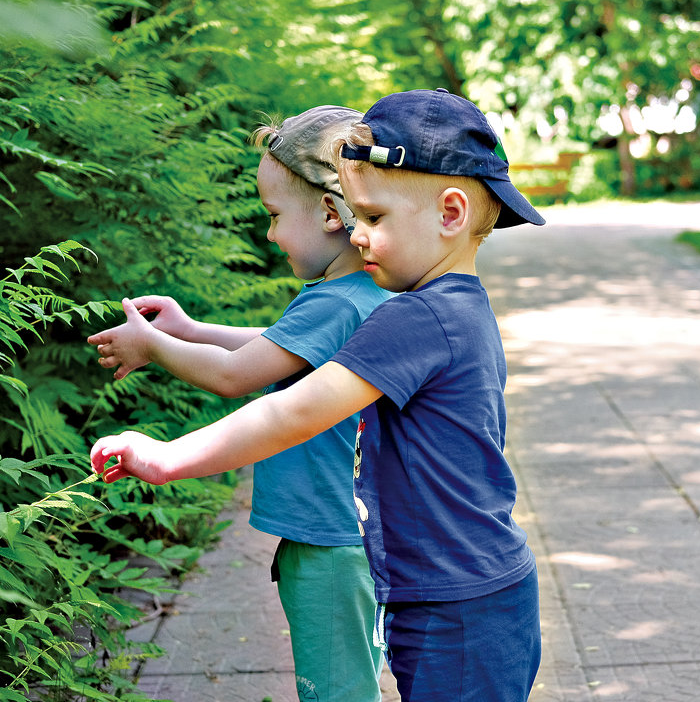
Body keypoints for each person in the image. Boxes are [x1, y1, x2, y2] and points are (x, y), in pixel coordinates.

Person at [90, 88, 546, 702]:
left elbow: (291, 409)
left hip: (456, 602)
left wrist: (168, 459)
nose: (358, 236)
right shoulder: (447, 309)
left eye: (376, 219)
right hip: (462, 590)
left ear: (450, 214)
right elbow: (299, 352)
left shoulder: (418, 320)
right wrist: (194, 334)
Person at [87, 105, 393, 702]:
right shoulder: (361, 295)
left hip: (328, 542)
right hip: (361, 537)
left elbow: (235, 376)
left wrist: (151, 344)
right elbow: (275, 350)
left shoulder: (331, 303)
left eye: (276, 216)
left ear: (331, 213)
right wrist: (190, 329)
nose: (271, 234)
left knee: (337, 694)